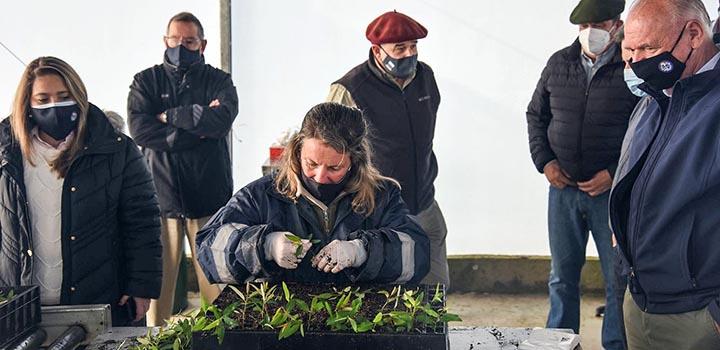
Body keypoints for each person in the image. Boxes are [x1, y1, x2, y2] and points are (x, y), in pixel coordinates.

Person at [0, 56, 161, 326]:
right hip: (21, 305)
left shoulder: (117, 150)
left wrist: (141, 286)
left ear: (79, 96)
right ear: (27, 104)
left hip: (98, 299)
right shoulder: (7, 157)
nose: (55, 106)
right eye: (43, 99)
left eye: (63, 96)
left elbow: (142, 221)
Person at [196, 102, 429, 285]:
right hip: (283, 323)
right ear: (298, 150)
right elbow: (208, 249)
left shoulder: (381, 196)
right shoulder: (262, 195)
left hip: (357, 321)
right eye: (311, 163)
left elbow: (417, 255)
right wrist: (264, 245)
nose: (319, 176)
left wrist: (362, 251)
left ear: (354, 160)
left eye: (334, 168)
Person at [525, 0, 640, 348]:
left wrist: (612, 172)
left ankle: (616, 344)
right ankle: (560, 340)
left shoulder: (632, 67)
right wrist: (545, 162)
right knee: (561, 277)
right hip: (563, 191)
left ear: (616, 25)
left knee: (616, 277)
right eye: (582, 27)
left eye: (599, 25)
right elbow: (535, 115)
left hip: (611, 194)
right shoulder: (559, 62)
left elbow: (645, 128)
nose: (589, 34)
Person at [610, 0, 720, 348]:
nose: (637, 62)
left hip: (699, 316)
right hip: (639, 302)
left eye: (649, 48)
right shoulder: (650, 101)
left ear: (693, 35)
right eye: (629, 50)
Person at [127, 11, 239, 326]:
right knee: (157, 292)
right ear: (165, 41)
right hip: (161, 201)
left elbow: (220, 122)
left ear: (202, 44)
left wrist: (169, 116)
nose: (181, 46)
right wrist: (194, 129)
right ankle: (156, 343)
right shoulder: (145, 81)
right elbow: (140, 130)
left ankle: (219, 340)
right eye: (175, 40)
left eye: (189, 41)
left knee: (216, 288)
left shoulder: (219, 81)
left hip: (209, 201)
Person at [327, 11, 447, 286]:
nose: (409, 54)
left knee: (435, 288)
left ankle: (434, 327)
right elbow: (328, 148)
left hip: (424, 203)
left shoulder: (425, 77)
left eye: (413, 46)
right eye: (400, 48)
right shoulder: (350, 89)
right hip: (377, 209)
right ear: (377, 52)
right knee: (386, 293)